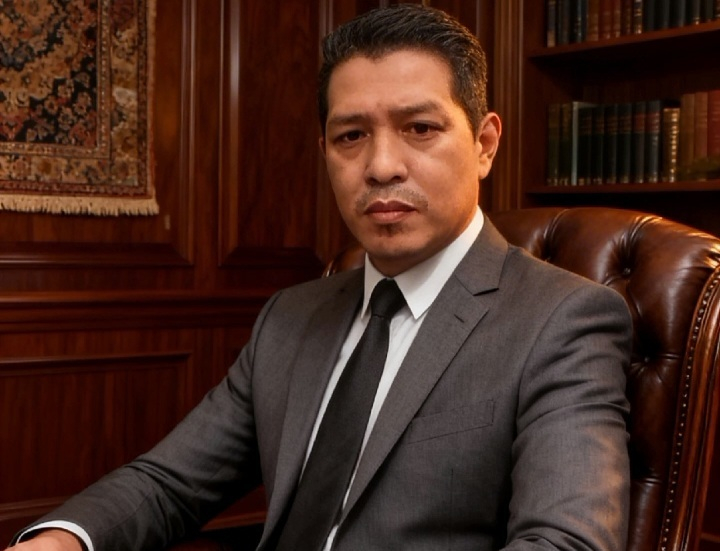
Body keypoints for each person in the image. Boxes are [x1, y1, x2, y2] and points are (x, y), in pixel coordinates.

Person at [7, 4, 632, 551]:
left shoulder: (561, 321)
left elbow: (566, 540)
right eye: (351, 136)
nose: (381, 166)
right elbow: (169, 482)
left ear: (485, 144)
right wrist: (62, 540)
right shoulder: (291, 316)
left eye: (420, 129)